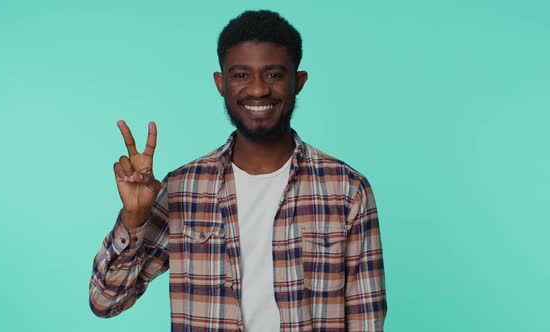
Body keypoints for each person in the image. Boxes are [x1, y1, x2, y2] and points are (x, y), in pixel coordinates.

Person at [89, 10, 387, 331]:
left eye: (273, 74)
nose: (258, 89)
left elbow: (365, 319)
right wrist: (134, 217)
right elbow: (107, 301)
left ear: (297, 82)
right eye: (241, 75)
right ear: (221, 83)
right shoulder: (183, 189)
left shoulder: (347, 190)